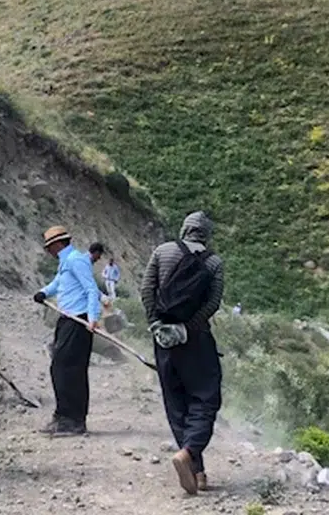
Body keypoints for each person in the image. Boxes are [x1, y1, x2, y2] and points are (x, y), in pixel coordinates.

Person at [140, 211, 225, 496]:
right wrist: (189, 327)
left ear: (185, 229)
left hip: (163, 340)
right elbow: (213, 302)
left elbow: (146, 289)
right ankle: (190, 454)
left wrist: (156, 324)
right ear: (206, 234)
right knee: (205, 398)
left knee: (176, 403)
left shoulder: (162, 252)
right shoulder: (213, 262)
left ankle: (197, 471)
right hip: (197, 341)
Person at [31, 225, 102, 436]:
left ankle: (73, 420)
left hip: (79, 320)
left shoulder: (76, 260)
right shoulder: (66, 262)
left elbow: (91, 290)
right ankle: (63, 416)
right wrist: (43, 292)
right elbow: (59, 283)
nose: (48, 251)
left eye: (49, 247)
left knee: (68, 369)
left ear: (58, 244)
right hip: (67, 319)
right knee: (60, 367)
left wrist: (93, 318)